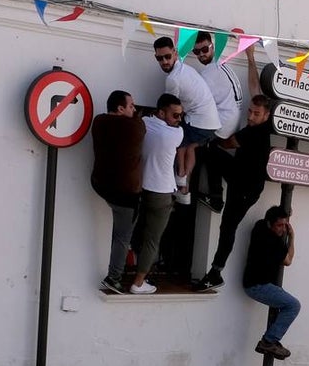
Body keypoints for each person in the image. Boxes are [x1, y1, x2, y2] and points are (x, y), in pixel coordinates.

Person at [193, 45, 274, 292]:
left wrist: (217, 135)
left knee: (228, 227)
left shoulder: (256, 133)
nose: (249, 116)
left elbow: (229, 142)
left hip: (246, 189)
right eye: (249, 112)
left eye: (255, 113)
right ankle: (216, 196)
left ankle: (215, 273)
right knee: (209, 149)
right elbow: (254, 88)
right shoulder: (255, 119)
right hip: (238, 172)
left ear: (266, 116)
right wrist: (250, 57)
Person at [130, 94, 186, 295]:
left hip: (142, 189)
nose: (179, 120)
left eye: (181, 116)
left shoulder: (144, 123)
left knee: (139, 231)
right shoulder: (175, 134)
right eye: (175, 115)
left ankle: (134, 268)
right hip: (162, 193)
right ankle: (138, 283)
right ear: (161, 113)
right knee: (152, 240)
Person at [90, 90, 144, 294]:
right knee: (122, 237)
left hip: (102, 185)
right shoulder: (135, 127)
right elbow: (139, 125)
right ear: (120, 109)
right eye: (131, 106)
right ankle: (114, 277)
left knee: (118, 233)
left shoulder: (99, 121)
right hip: (126, 194)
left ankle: (115, 273)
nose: (135, 109)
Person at [153, 36, 220, 185]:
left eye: (167, 56)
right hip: (213, 123)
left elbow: (170, 110)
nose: (164, 61)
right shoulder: (185, 68)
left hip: (200, 121)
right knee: (190, 147)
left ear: (175, 53)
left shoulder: (173, 79)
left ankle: (181, 179)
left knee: (179, 142)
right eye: (160, 58)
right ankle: (185, 185)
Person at [192, 30, 245, 213]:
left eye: (204, 49)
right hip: (234, 120)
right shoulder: (221, 64)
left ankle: (215, 196)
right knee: (211, 151)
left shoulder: (208, 73)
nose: (201, 54)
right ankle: (218, 193)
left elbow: (199, 103)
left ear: (212, 47)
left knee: (201, 148)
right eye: (196, 52)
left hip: (224, 123)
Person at [243, 206, 300, 360]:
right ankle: (269, 341)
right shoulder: (273, 241)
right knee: (293, 305)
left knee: (286, 302)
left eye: (285, 225)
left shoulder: (259, 226)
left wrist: (285, 216)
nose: (282, 229)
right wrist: (292, 237)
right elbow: (288, 261)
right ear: (270, 224)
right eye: (279, 226)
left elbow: (275, 215)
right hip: (259, 286)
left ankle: (271, 340)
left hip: (256, 282)